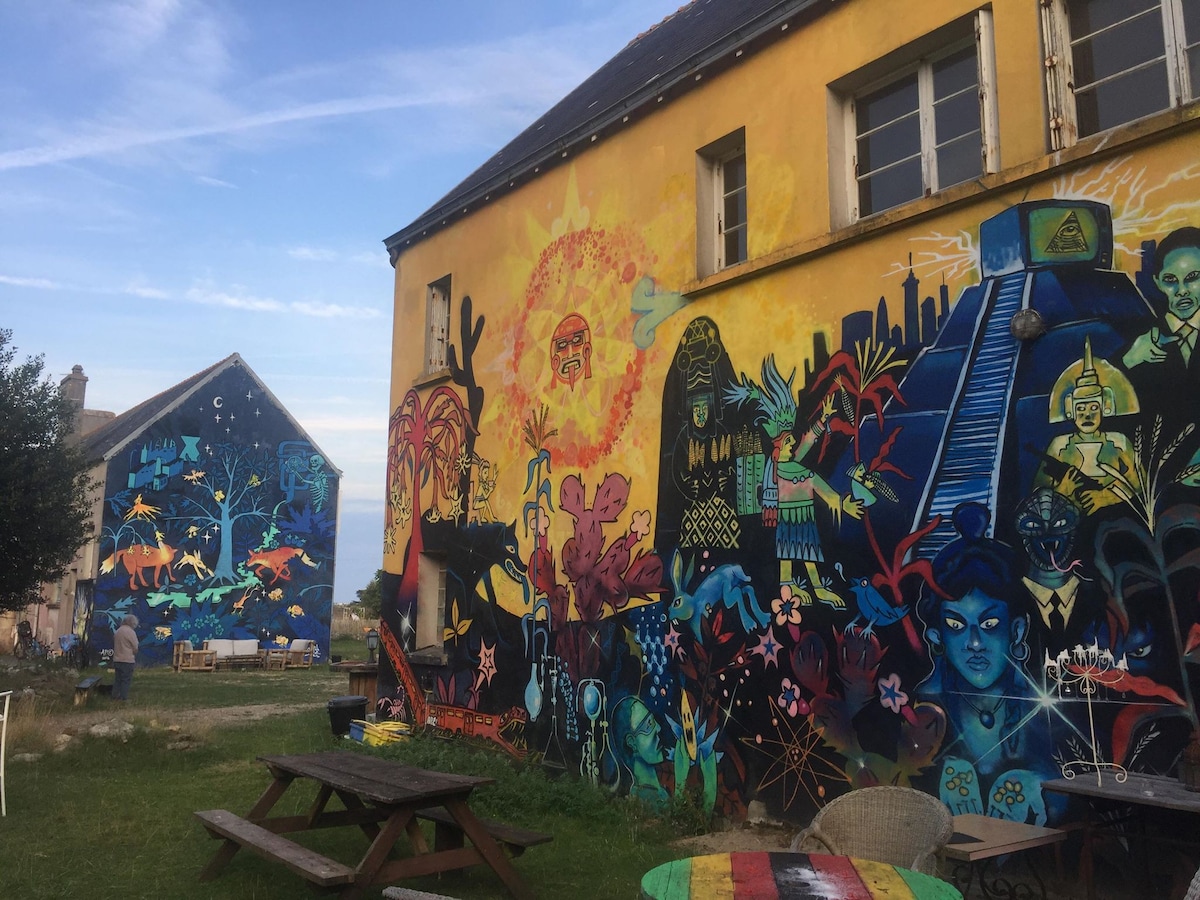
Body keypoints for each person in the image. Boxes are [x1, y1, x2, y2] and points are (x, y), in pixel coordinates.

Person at [112, 615, 139, 701]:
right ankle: (123, 697)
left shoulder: (118, 631)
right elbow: (135, 647)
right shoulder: (131, 632)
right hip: (127, 660)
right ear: (132, 623)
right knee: (126, 680)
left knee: (118, 680)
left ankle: (115, 696)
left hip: (117, 659)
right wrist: (134, 652)